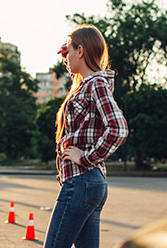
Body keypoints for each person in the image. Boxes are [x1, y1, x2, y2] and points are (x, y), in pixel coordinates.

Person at [44, 24, 129, 248]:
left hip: (82, 181)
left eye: (68, 52)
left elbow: (118, 128)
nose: (65, 58)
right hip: (89, 183)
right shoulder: (85, 86)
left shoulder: (95, 83)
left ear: (80, 51)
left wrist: (85, 157)